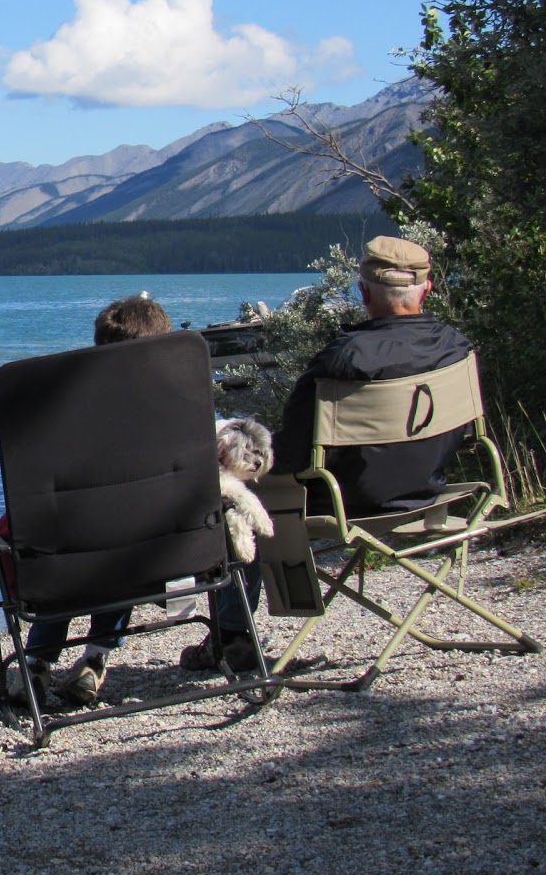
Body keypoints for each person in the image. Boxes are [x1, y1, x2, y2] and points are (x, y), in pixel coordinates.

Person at [180, 234, 473, 672]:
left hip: (345, 502)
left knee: (230, 504)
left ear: (363, 291)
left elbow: (293, 456)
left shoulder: (341, 361)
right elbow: (465, 432)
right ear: (427, 289)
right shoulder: (456, 347)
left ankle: (233, 637)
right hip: (431, 490)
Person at [3, 293, 174, 707]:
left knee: (59, 539)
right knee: (122, 538)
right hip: (155, 557)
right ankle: (94, 661)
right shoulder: (180, 408)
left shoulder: (67, 413)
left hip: (73, 557)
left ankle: (39, 662)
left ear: (99, 349)